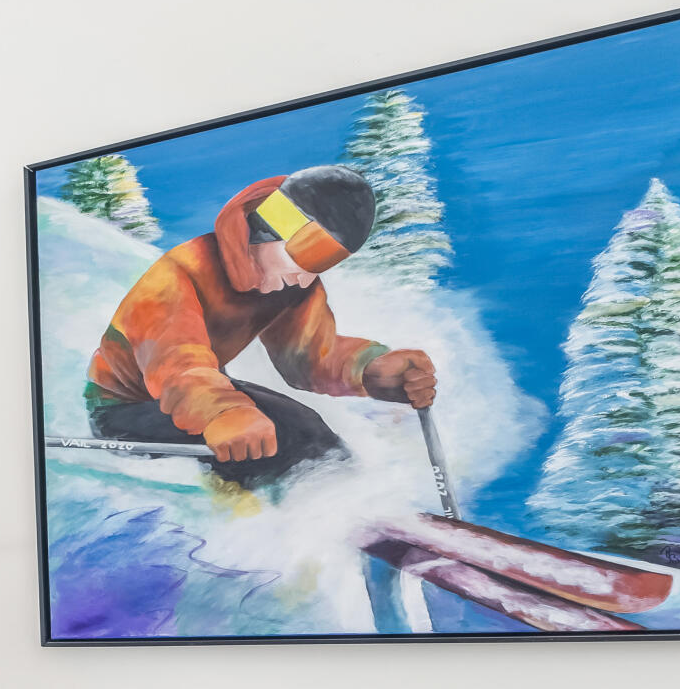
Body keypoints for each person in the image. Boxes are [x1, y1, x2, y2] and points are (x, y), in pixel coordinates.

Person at [83, 165, 438, 484]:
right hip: (126, 407)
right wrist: (222, 411)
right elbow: (176, 363)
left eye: (326, 262)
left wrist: (373, 371)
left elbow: (309, 356)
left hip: (202, 389)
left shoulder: (291, 283)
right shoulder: (181, 273)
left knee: (311, 435)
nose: (306, 277)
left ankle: (344, 505)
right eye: (311, 253)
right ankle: (245, 514)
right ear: (270, 228)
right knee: (259, 448)